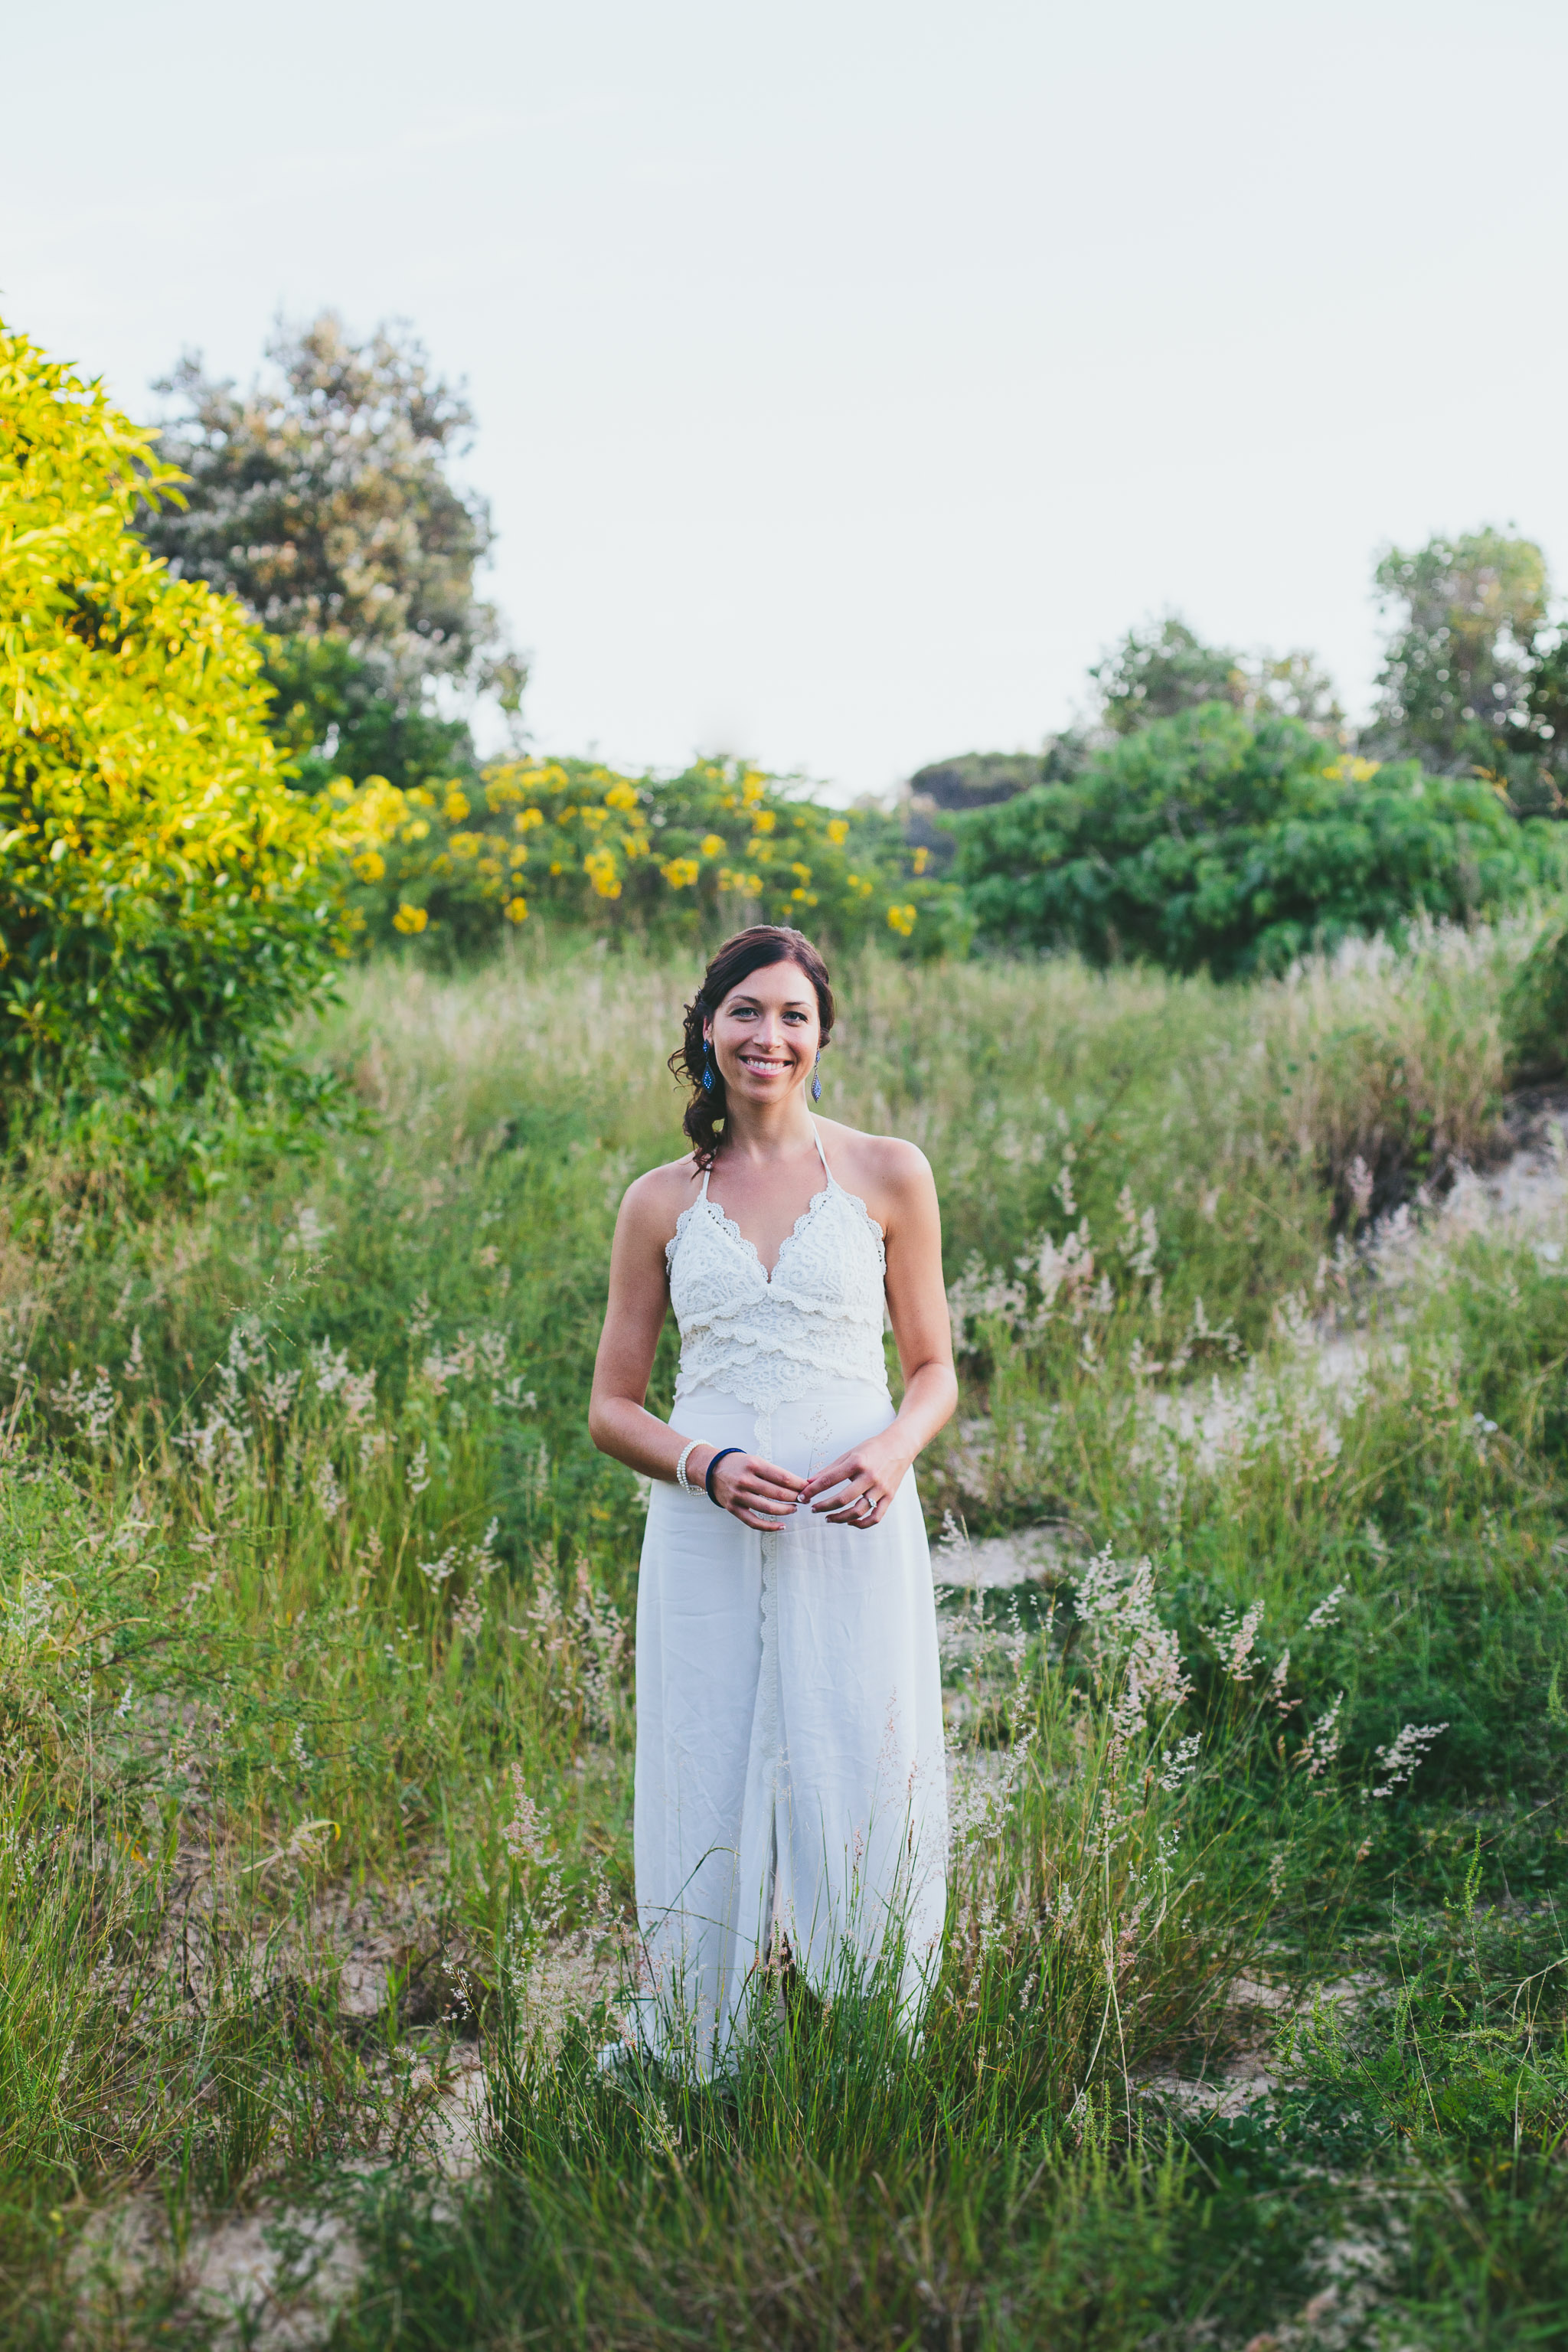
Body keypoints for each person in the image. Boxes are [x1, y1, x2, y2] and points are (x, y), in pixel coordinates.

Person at [589, 925, 956, 2072]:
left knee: (856, 1742)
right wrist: (703, 1465)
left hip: (852, 1520)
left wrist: (894, 1453)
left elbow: (936, 1369)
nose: (770, 1036)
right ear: (707, 1030)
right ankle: (708, 2027)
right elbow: (613, 1406)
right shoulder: (660, 1201)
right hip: (706, 1528)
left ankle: (869, 2024)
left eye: (794, 1015)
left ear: (822, 1036)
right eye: (747, 1011)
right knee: (708, 1750)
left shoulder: (889, 1172)